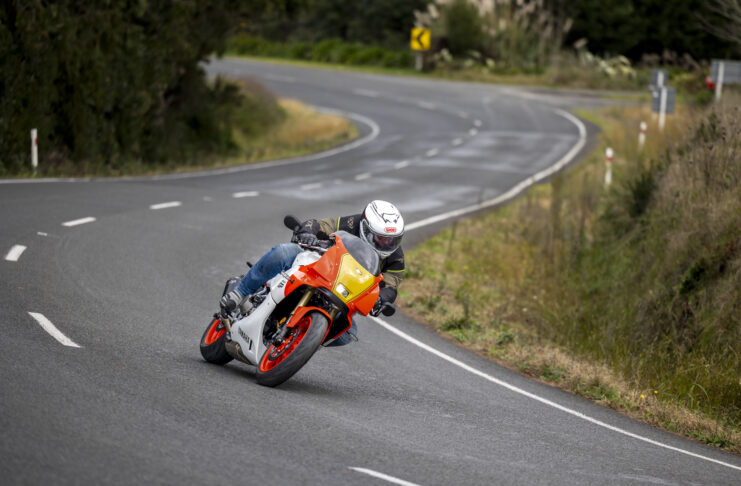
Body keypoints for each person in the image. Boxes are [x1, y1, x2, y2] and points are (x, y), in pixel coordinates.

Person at [220, 200, 406, 346]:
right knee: (284, 251)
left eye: (391, 240)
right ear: (366, 227)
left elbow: (391, 285)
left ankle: (298, 341)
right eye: (381, 238)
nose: (386, 244)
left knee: (348, 334)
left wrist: (382, 299)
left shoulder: (396, 257)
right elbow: (319, 224)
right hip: (320, 267)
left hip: (344, 291)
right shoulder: (352, 223)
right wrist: (308, 232)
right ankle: (240, 293)